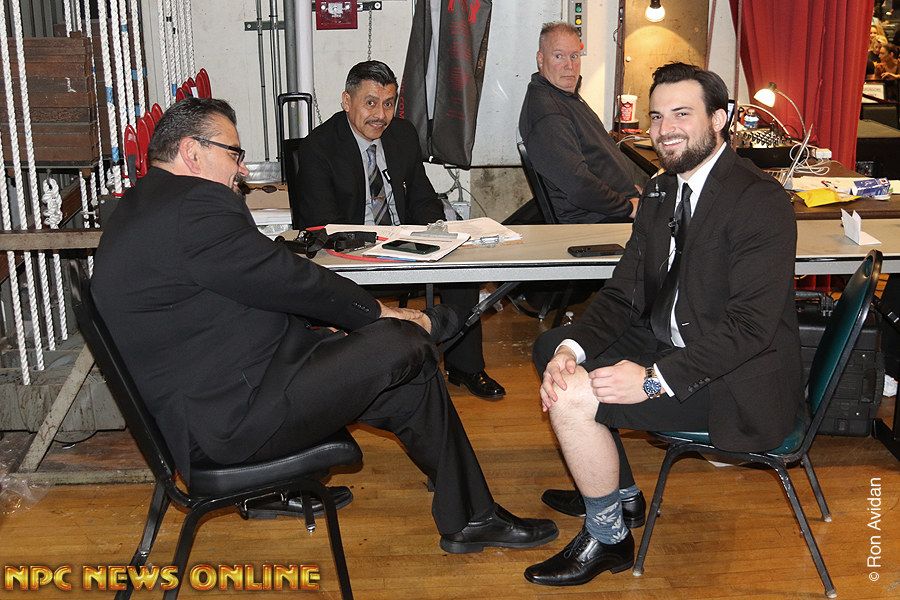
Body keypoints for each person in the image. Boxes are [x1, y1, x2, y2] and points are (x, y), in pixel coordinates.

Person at [91, 97, 558, 553]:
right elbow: (286, 278)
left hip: (227, 391)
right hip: (232, 423)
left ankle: (471, 515)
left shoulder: (147, 204)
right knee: (401, 341)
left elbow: (244, 290)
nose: (241, 168)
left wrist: (326, 332)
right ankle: (435, 325)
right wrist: (377, 313)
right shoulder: (194, 206)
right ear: (193, 151)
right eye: (234, 154)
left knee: (406, 377)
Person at [525, 63, 803, 586]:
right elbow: (623, 292)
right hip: (674, 340)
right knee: (554, 352)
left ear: (719, 119)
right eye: (656, 116)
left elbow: (749, 328)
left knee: (573, 397)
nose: (664, 129)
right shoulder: (660, 191)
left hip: (735, 378)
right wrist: (572, 349)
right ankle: (622, 495)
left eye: (682, 114)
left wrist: (654, 380)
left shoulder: (759, 200)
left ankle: (608, 536)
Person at [295, 60, 505, 400]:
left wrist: (435, 232)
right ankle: (381, 370)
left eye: (389, 103)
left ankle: (465, 366)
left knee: (461, 271)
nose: (381, 115)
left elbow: (423, 197)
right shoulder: (319, 147)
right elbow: (322, 224)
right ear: (347, 101)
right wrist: (377, 242)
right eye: (370, 103)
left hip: (406, 245)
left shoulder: (403, 135)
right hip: (353, 253)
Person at [519, 21, 643, 224]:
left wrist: (626, 189)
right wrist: (628, 207)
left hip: (611, 207)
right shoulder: (550, 113)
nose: (569, 66)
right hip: (597, 220)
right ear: (540, 59)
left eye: (574, 56)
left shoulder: (563, 97)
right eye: (559, 56)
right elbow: (578, 185)